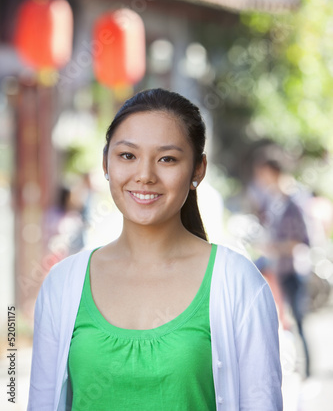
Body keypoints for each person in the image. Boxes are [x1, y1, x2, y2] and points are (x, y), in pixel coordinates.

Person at [28, 88, 282, 411]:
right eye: (127, 156)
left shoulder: (238, 283)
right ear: (106, 163)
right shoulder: (63, 284)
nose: (145, 176)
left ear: (197, 170)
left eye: (167, 159)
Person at [251, 157, 311, 378]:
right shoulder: (273, 201)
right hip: (279, 269)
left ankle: (307, 373)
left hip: (293, 269)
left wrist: (274, 247)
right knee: (286, 322)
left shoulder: (293, 202)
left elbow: (303, 240)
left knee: (298, 321)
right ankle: (298, 370)